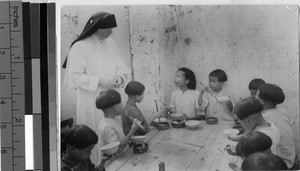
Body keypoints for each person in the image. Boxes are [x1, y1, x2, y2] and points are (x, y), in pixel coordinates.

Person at [63, 12, 130, 132]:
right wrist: (98, 81)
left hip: (112, 97)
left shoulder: (111, 43)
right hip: (92, 99)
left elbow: (121, 68)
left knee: (113, 133)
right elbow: (74, 77)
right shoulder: (80, 47)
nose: (111, 33)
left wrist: (119, 76)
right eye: (108, 29)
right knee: (96, 131)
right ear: (97, 28)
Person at [95, 89, 140, 166]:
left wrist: (129, 139)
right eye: (121, 102)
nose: (123, 104)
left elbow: (118, 142)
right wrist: (132, 131)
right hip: (113, 165)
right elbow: (118, 149)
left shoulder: (109, 121)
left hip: (119, 161)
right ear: (115, 107)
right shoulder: (108, 126)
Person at [257, 83, 295, 168]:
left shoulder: (264, 118)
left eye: (256, 95)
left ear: (262, 101)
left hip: (280, 164)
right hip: (290, 157)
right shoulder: (283, 111)